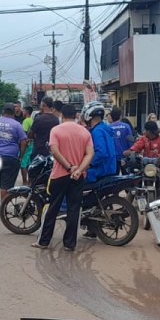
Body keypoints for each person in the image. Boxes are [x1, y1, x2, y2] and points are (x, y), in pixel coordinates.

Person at [33, 103, 94, 251]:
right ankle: (70, 243)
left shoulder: (56, 130)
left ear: (61, 115)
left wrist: (68, 167)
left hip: (59, 175)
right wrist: (78, 169)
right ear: (76, 116)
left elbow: (54, 151)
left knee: (52, 208)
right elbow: (90, 154)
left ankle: (44, 241)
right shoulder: (85, 132)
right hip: (78, 177)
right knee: (74, 209)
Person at [0, 103, 28, 212]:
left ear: (3, 111)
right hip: (11, 157)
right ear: (14, 112)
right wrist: (21, 156)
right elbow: (24, 141)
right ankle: (3, 208)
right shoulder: (17, 124)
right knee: (6, 184)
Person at [83, 102, 118, 186]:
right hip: (109, 168)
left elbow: (101, 153)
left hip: (99, 171)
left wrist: (88, 164)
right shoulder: (106, 128)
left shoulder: (97, 131)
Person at [19, 106, 35, 183]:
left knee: (23, 163)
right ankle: (30, 181)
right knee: (29, 163)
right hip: (32, 144)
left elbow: (24, 133)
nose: (22, 112)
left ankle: (25, 181)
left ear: (27, 112)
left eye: (24, 111)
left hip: (27, 144)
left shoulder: (26, 121)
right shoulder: (32, 120)